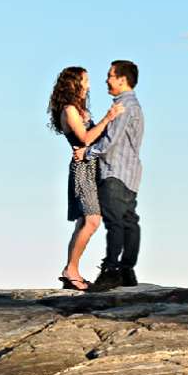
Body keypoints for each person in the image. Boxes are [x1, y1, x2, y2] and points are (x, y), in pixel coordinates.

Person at [46, 66, 125, 290]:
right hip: (83, 169)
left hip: (93, 167)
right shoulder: (69, 110)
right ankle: (71, 270)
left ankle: (72, 270)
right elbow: (86, 138)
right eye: (85, 80)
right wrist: (108, 117)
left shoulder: (79, 109)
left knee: (84, 221)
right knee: (92, 220)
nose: (89, 84)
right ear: (74, 83)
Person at [76, 59, 145, 290]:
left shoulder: (123, 106)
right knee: (129, 222)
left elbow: (110, 141)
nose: (106, 79)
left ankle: (112, 271)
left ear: (122, 79)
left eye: (110, 75)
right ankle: (127, 271)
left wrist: (87, 153)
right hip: (131, 174)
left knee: (115, 223)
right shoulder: (134, 105)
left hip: (114, 172)